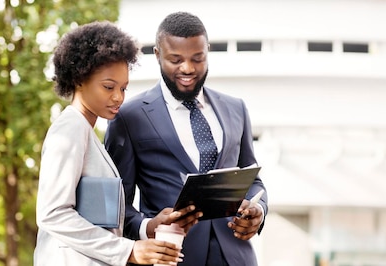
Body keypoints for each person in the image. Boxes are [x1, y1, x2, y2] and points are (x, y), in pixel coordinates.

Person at [104, 12, 268, 266]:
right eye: (175, 60)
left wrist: (259, 211)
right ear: (157, 55)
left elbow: (253, 180)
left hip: (237, 257)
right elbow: (115, 206)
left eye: (197, 58)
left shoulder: (236, 108)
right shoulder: (128, 117)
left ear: (207, 51)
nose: (188, 68)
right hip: (171, 257)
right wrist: (148, 227)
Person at [35, 21, 200, 266]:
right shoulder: (70, 128)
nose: (118, 97)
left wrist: (150, 227)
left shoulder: (87, 133)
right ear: (79, 79)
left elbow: (94, 218)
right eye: (109, 87)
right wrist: (129, 251)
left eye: (123, 88)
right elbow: (53, 214)